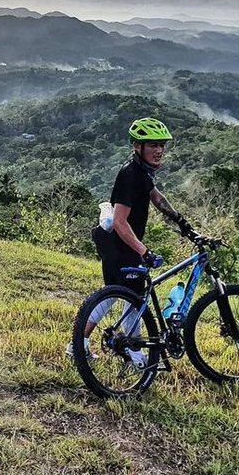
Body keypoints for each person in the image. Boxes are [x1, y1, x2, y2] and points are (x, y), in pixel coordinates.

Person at [67, 117, 193, 366]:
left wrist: (181, 221)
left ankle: (77, 346)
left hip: (120, 245)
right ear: (138, 146)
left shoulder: (142, 172)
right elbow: (121, 221)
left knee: (118, 295)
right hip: (119, 245)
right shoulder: (129, 175)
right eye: (152, 145)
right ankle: (134, 355)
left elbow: (156, 198)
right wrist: (144, 252)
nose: (159, 150)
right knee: (133, 298)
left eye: (162, 145)